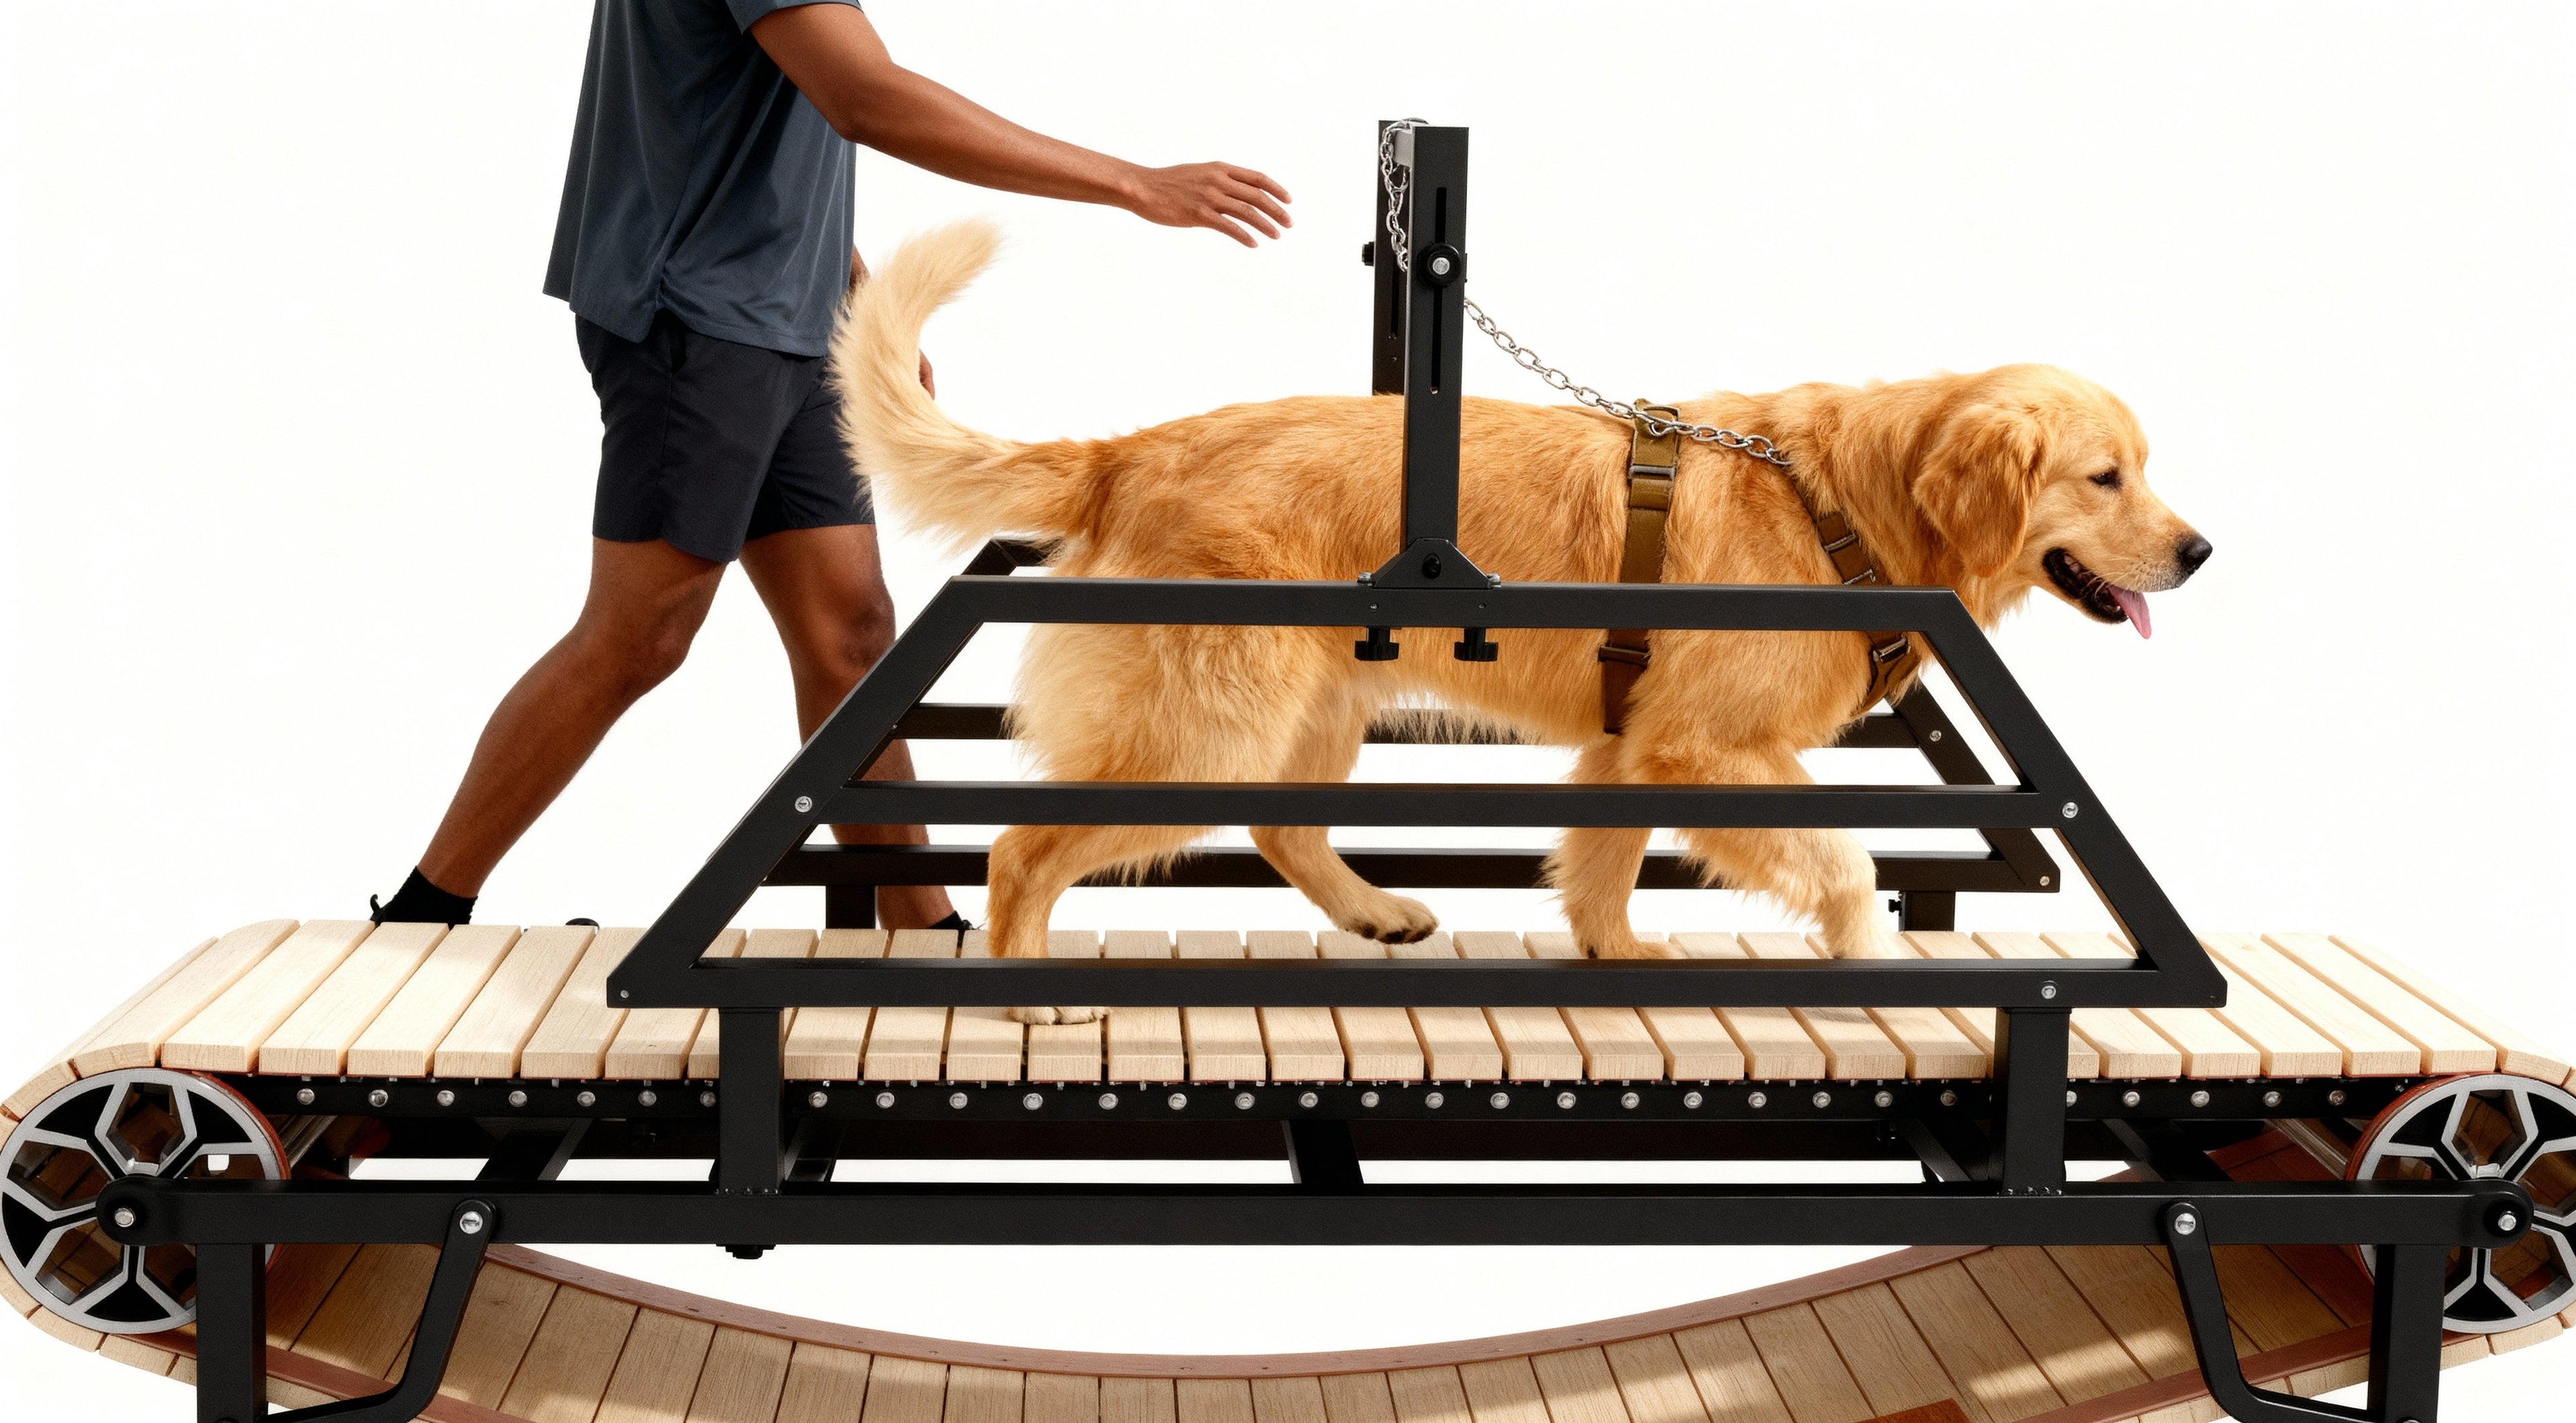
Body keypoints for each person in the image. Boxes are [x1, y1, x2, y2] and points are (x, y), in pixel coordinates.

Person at [370, 1, 1291, 929]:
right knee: (639, 634)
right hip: (699, 324)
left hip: (788, 323)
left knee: (851, 636)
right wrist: (1133, 182)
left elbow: (767, 105)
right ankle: (422, 907)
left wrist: (845, 282)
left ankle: (922, 922)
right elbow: (863, 97)